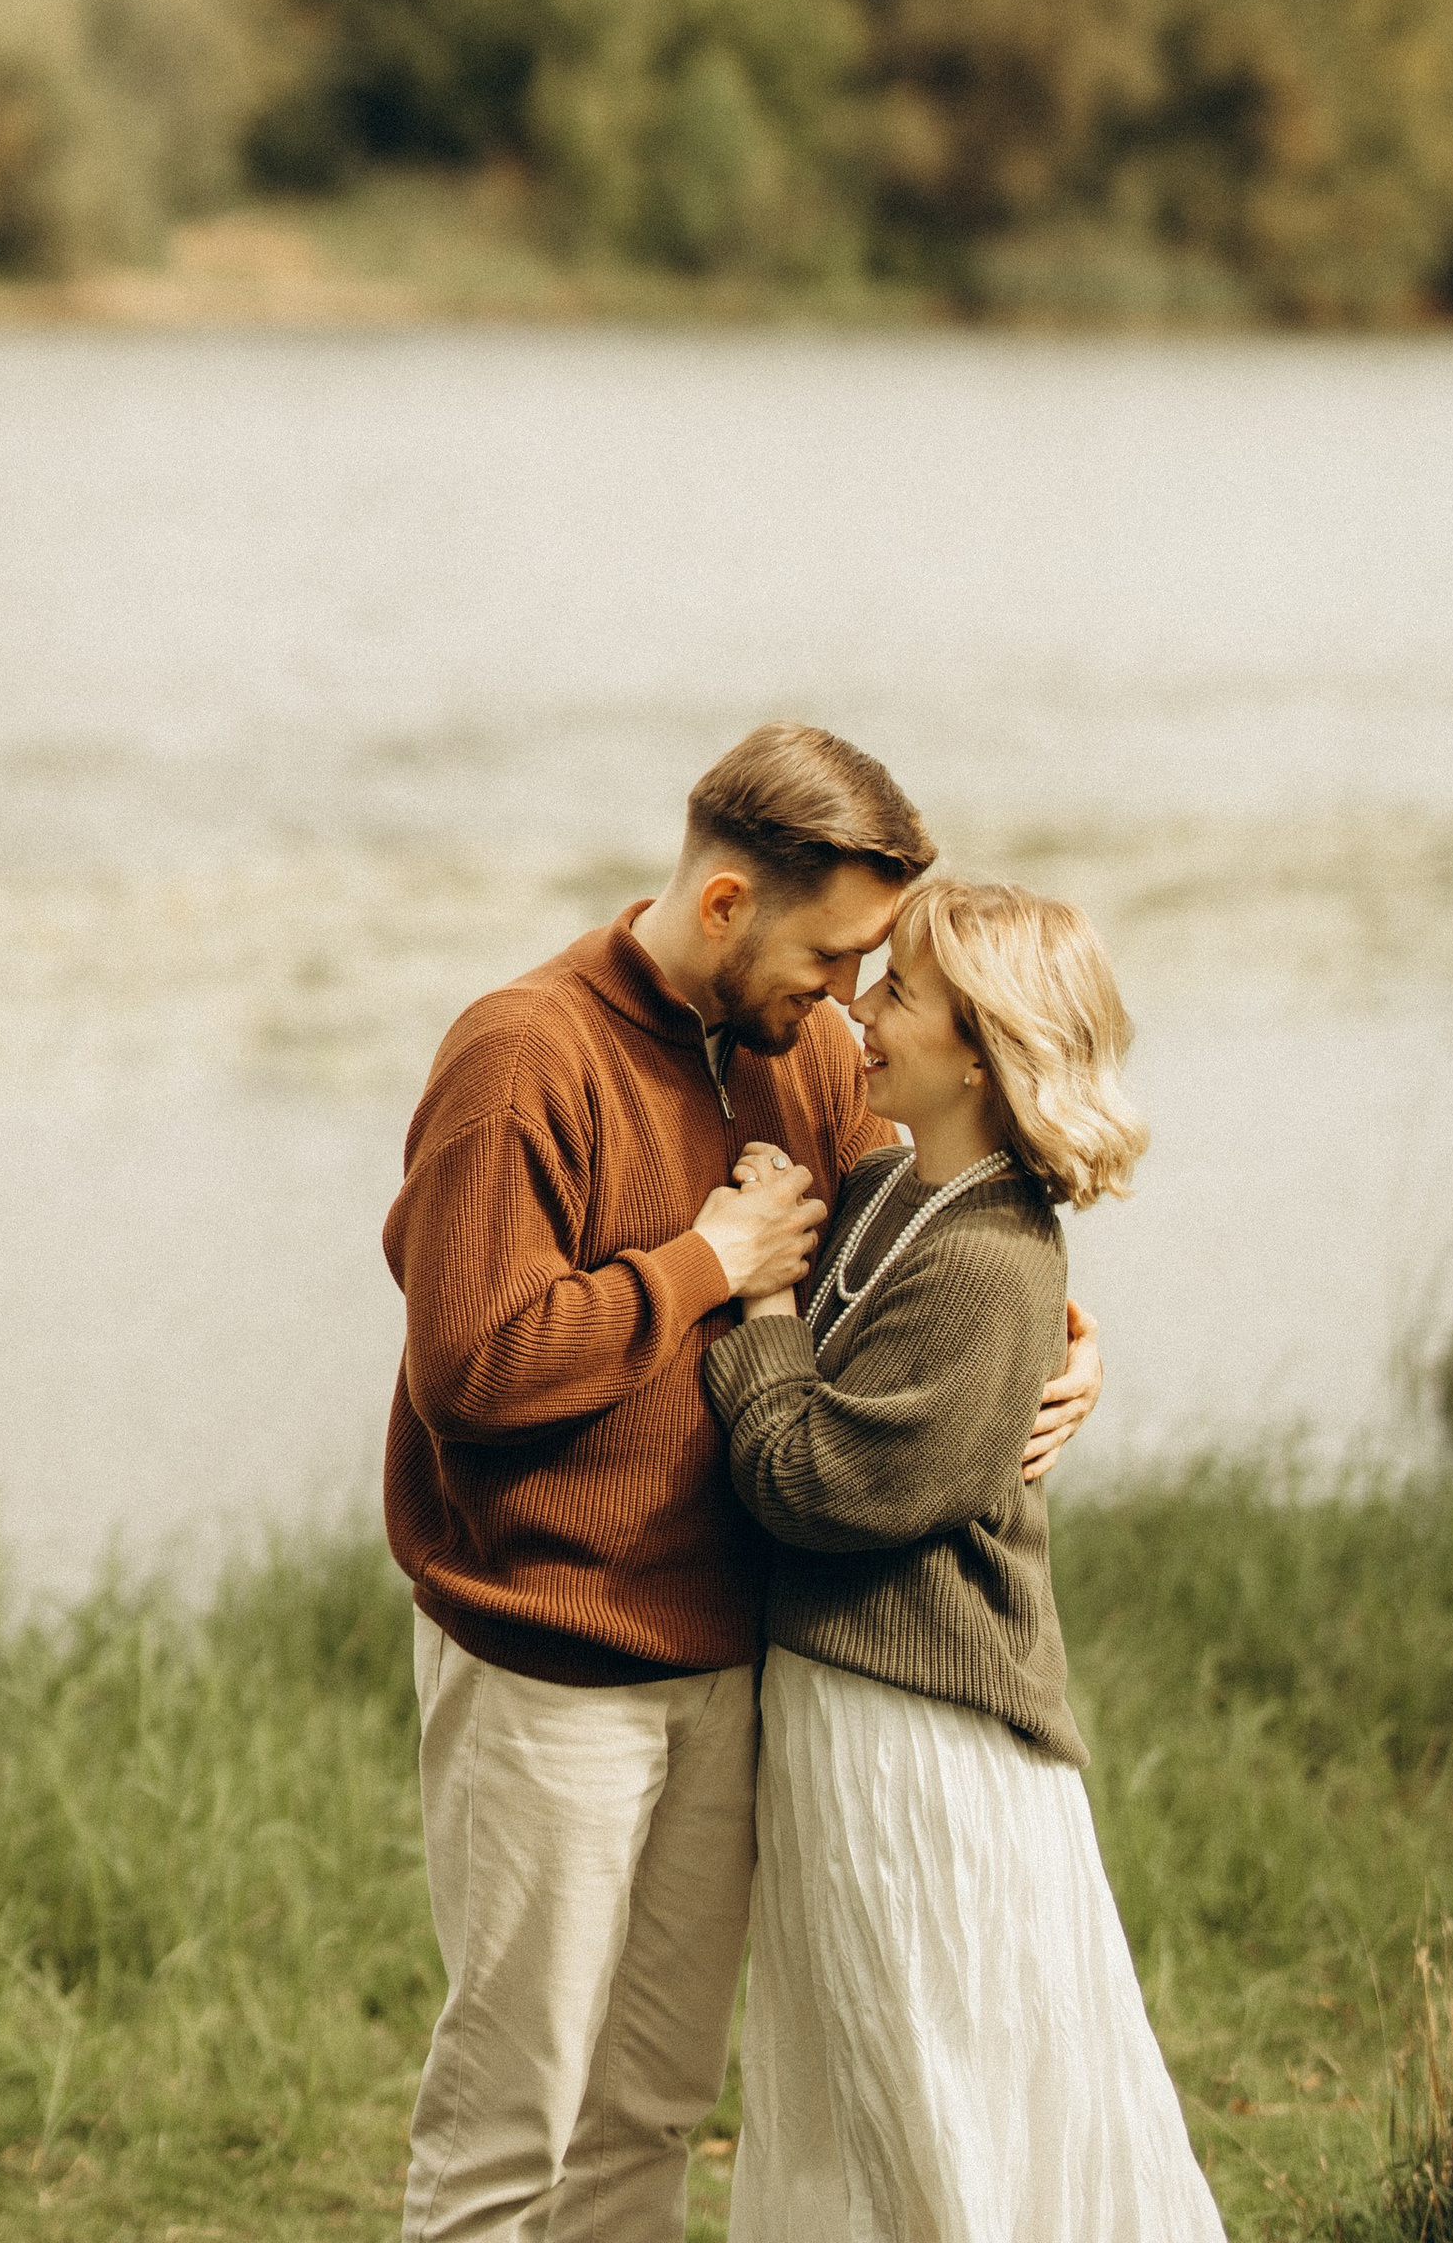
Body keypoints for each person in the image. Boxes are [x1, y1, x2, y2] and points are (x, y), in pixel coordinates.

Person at [382, 725, 1102, 2243]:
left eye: (868, 973)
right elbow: (473, 1369)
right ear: (724, 905)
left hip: (730, 1666)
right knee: (516, 2120)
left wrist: (1070, 1340)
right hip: (549, 1665)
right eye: (834, 955)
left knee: (651, 2108)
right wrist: (701, 1267)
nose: (849, 1002)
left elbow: (933, 1238)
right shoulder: (521, 1057)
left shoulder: (807, 1057)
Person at [705, 874, 1221, 2243]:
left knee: (946, 2081)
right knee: (853, 2083)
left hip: (924, 1742)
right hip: (840, 1721)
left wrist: (753, 1306)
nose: (862, 1014)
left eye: (901, 1000)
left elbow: (815, 1478)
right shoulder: (892, 1189)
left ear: (980, 1055)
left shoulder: (996, 1261)